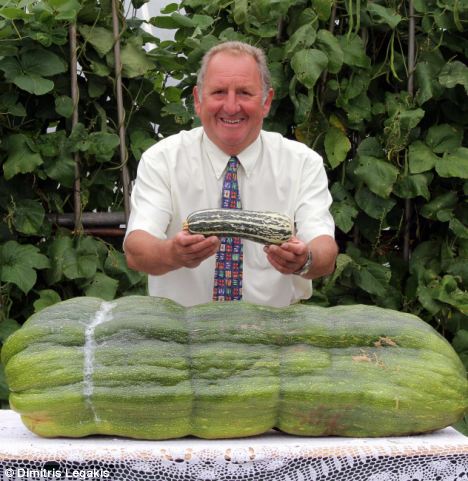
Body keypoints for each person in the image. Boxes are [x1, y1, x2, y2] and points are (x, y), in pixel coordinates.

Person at [124, 41, 338, 307]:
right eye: (219, 92)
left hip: (275, 333)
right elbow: (136, 250)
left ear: (266, 102)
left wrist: (305, 259)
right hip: (182, 334)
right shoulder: (162, 160)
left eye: (245, 93)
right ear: (198, 101)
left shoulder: (303, 163)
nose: (231, 106)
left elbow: (325, 252)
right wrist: (172, 253)